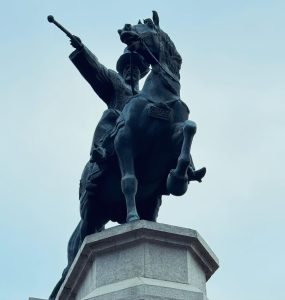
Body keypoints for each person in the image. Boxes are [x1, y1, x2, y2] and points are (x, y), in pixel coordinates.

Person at [48, 38, 151, 300]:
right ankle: (100, 155)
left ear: (142, 73)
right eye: (128, 67)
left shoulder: (146, 98)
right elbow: (98, 72)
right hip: (114, 135)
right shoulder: (116, 86)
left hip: (139, 147)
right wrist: (82, 50)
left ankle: (185, 169)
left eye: (137, 69)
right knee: (111, 117)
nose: (131, 71)